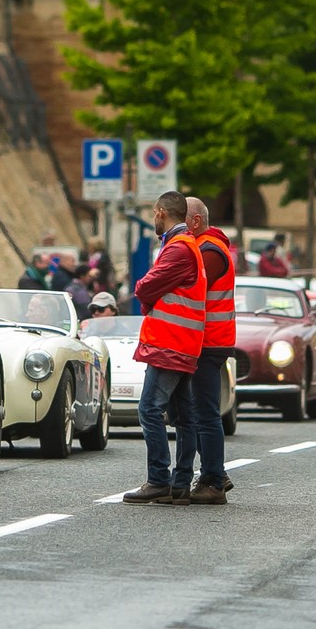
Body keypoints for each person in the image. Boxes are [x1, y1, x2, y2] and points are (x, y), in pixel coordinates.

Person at [122, 191, 205, 505]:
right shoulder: (187, 246)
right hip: (183, 342)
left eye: (153, 213)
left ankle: (159, 479)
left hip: (170, 343)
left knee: (149, 410)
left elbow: (145, 286)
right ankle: (180, 482)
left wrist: (145, 292)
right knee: (183, 415)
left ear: (160, 212)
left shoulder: (178, 249)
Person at [185, 198, 234, 506]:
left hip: (209, 341)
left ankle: (214, 480)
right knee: (196, 410)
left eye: (181, 218)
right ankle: (215, 474)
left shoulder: (210, 250)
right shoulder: (205, 247)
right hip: (205, 340)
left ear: (196, 222)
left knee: (204, 412)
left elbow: (191, 288)